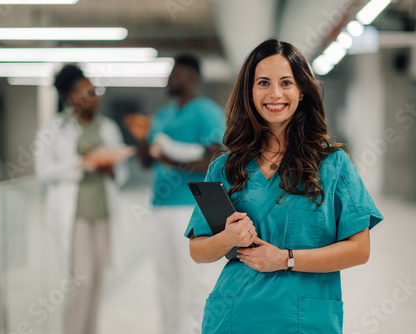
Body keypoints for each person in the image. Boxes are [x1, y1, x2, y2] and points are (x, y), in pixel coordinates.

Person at [185, 39, 384, 333]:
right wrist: (227, 238)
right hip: (234, 317)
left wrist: (285, 259)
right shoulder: (226, 166)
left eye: (286, 82)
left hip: (303, 321)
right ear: (250, 92)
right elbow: (198, 250)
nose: (275, 94)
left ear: (302, 91)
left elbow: (359, 250)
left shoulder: (332, 163)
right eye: (263, 83)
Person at [125, 55, 225, 334]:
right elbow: (147, 162)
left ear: (192, 78)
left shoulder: (207, 112)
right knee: (165, 281)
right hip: (159, 208)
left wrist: (171, 159)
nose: (169, 79)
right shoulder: (162, 115)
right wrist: (141, 137)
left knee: (196, 281)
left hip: (191, 208)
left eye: (175, 74)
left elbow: (217, 158)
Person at [35, 65, 133, 334]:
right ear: (72, 96)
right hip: (75, 216)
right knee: (82, 281)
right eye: (88, 91)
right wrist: (83, 163)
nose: (96, 96)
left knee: (98, 280)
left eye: (96, 90)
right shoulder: (54, 129)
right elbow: (43, 171)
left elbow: (121, 175)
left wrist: (111, 168)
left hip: (103, 214)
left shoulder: (108, 127)